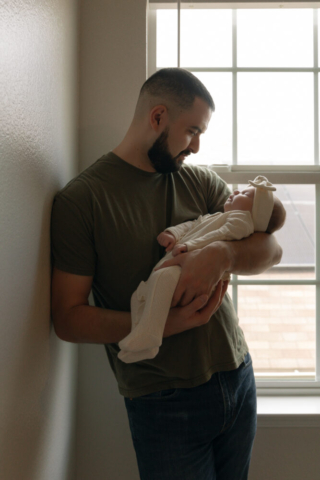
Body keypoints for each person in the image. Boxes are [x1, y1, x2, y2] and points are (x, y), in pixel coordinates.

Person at [51, 68, 282, 480]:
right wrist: (164, 324)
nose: (195, 146)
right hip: (164, 403)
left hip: (237, 375)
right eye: (192, 131)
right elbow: (68, 318)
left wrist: (220, 256)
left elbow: (271, 249)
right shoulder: (82, 200)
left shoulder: (198, 180)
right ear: (158, 117)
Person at [118, 176, 286, 363]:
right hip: (177, 262)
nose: (236, 191)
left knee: (162, 280)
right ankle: (144, 336)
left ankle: (149, 336)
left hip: (188, 274)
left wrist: (200, 248)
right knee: (141, 295)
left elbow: (225, 236)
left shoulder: (240, 220)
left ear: (256, 213)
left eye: (246, 194)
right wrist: (173, 233)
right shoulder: (217, 217)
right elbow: (193, 224)